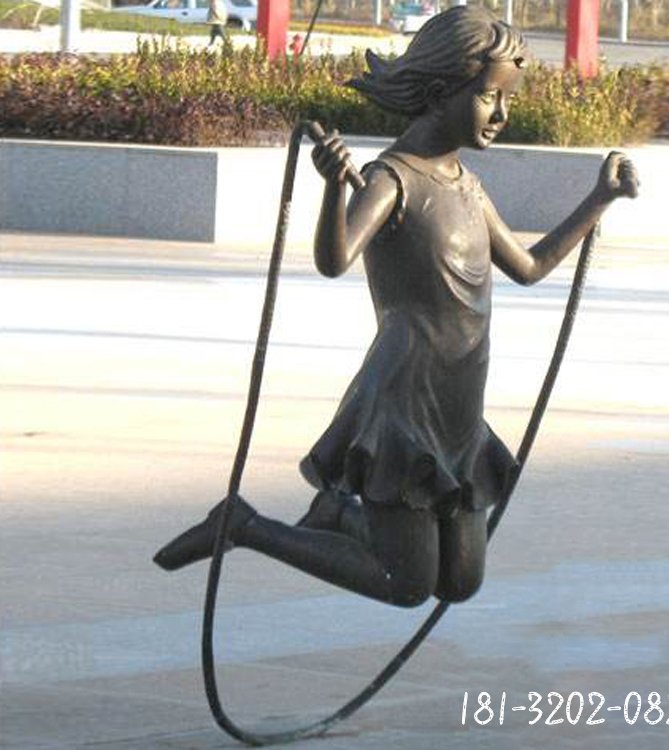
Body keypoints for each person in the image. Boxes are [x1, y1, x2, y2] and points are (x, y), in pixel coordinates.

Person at [154, 6, 638, 607]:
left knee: (460, 581)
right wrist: (334, 189)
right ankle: (244, 526)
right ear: (439, 93)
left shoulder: (467, 185)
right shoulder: (391, 178)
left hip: (459, 402)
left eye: (506, 99)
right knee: (405, 584)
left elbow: (530, 266)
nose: (502, 114)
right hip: (403, 398)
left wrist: (599, 199)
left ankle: (337, 513)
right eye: (490, 97)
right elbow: (335, 259)